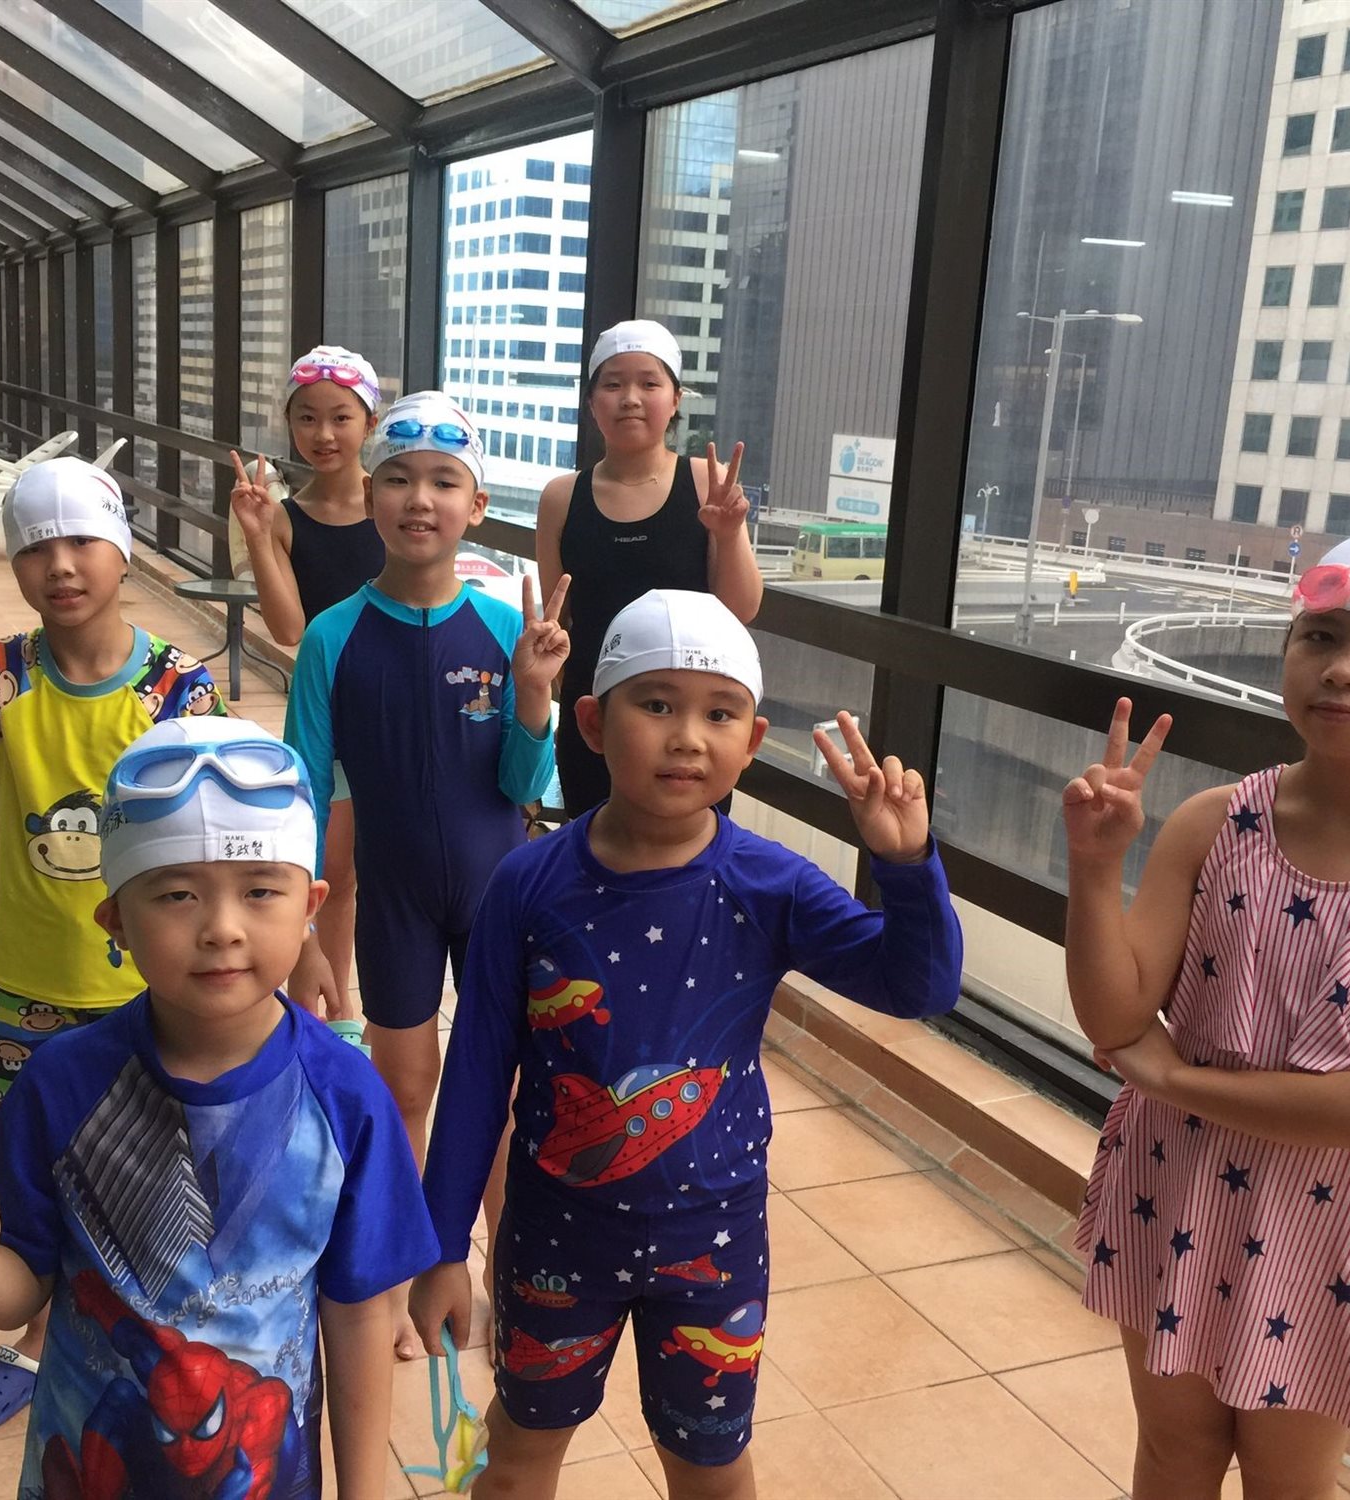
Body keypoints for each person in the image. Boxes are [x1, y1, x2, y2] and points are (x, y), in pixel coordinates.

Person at [409, 590, 965, 1499]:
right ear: (594, 722)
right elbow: (475, 1074)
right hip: (556, 1234)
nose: (687, 739)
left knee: (711, 1469)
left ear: (753, 742)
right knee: (518, 1458)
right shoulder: (528, 884)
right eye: (657, 704)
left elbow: (918, 987)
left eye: (719, 714)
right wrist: (439, 1249)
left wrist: (906, 866)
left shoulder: (771, 884)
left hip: (716, 1238)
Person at [1062, 528, 1350, 1499]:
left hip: (1321, 1222)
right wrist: (1095, 869)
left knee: (1289, 1480)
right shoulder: (1213, 823)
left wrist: (1173, 1078)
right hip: (1173, 1183)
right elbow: (1115, 1015)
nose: (1343, 670)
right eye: (1318, 637)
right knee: (1171, 1452)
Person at [0, 716, 438, 1499]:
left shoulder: (347, 1101)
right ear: (115, 919)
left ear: (310, 906)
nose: (221, 929)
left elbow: (359, 1315)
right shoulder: (62, 1087)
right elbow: (21, 1291)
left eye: (260, 891)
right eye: (177, 894)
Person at [0, 459, 226, 1436]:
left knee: (156, 1173)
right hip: (31, 989)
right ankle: (38, 1335)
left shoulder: (174, 688)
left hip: (151, 990)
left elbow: (217, 836)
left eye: (81, 541)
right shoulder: (4, 674)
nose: (60, 564)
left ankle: (153, 1332)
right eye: (36, 547)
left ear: (122, 550)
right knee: (32, 1173)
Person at [285, 389, 564, 1355]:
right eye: (399, 479)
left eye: (445, 482)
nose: (420, 499)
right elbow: (303, 791)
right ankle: (413, 1274)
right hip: (394, 901)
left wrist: (534, 697)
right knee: (406, 1087)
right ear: (369, 496)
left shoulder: (499, 627)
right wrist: (303, 935)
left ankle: (504, 1271)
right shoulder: (331, 638)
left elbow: (524, 789)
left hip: (499, 901)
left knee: (502, 1101)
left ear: (475, 506)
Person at [535, 319, 763, 817]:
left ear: (675, 399)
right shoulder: (561, 497)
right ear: (592, 402)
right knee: (592, 836)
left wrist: (728, 534)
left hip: (689, 719)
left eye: (649, 384)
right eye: (613, 384)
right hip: (594, 713)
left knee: (689, 848)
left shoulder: (705, 482)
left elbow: (741, 610)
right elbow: (558, 620)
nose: (630, 399)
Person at [231, 345, 389, 1012]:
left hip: (395, 705)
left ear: (369, 422)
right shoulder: (284, 517)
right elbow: (289, 628)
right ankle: (334, 1014)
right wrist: (258, 535)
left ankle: (374, 1009)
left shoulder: (398, 503)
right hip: (325, 711)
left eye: (340, 417)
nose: (323, 434)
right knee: (329, 874)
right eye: (306, 418)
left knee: (387, 875)